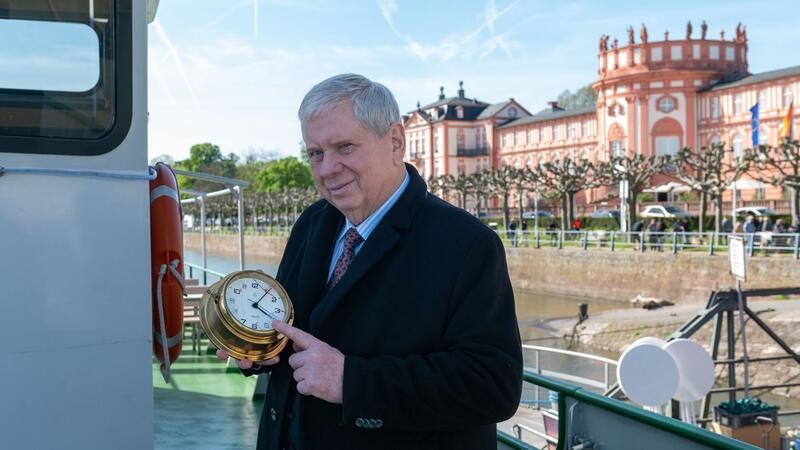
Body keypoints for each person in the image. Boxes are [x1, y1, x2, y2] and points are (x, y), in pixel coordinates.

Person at [216, 74, 522, 450]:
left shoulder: (468, 243)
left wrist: (351, 382)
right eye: (316, 153)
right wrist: (259, 348)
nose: (327, 168)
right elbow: (295, 331)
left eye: (345, 147)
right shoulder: (313, 222)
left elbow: (492, 386)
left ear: (395, 142)